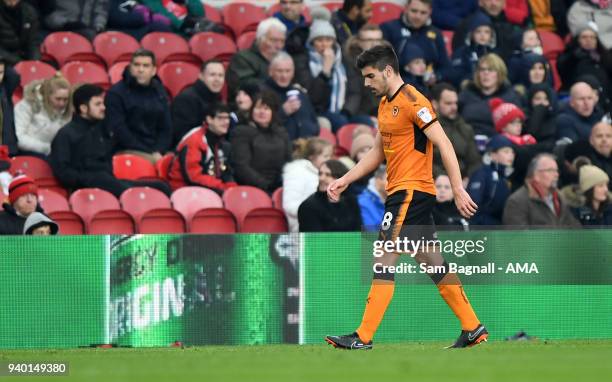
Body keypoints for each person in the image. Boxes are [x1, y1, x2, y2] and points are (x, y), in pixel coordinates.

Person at [324, 45, 486, 350]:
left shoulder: (414, 100)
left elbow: (445, 143)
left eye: (370, 76)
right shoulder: (385, 103)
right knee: (431, 261)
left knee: (384, 256)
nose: (367, 83)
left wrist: (458, 188)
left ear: (387, 71)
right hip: (404, 192)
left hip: (410, 191)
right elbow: (376, 153)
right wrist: (344, 179)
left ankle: (363, 336)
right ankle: (472, 327)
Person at [50, 84, 171, 198]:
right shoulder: (66, 134)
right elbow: (63, 172)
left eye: (103, 104)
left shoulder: (102, 129)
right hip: (86, 187)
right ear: (83, 108)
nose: (103, 108)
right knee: (129, 193)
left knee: (161, 187)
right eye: (98, 104)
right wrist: (88, 178)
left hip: (110, 181)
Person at [105, 49, 172, 164]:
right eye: (137, 65)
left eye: (146, 66)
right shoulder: (116, 93)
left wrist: (159, 150)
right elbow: (119, 131)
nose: (140, 70)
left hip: (155, 151)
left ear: (154, 70)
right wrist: (149, 152)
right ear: (130, 67)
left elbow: (166, 127)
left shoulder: (159, 91)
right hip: (125, 149)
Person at [230, 90, 291, 193]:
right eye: (258, 108)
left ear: (273, 112)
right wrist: (266, 185)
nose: (262, 112)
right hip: (252, 188)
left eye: (266, 108)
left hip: (280, 187)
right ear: (251, 110)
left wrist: (281, 182)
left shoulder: (281, 132)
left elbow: (289, 160)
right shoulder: (241, 132)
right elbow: (241, 166)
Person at [167, 103, 236, 193]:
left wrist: (232, 188)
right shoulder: (194, 141)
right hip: (184, 190)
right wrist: (222, 187)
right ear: (209, 119)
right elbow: (193, 177)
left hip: (209, 188)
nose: (226, 122)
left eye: (227, 118)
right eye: (220, 118)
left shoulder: (223, 143)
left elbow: (227, 172)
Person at [380, 0, 450, 85]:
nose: (418, 16)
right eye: (414, 11)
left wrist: (437, 76)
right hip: (397, 85)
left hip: (429, 86)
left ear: (430, 12)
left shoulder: (436, 33)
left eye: (423, 12)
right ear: (405, 8)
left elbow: (446, 67)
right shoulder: (388, 28)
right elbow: (381, 62)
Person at [502, 153, 580, 227]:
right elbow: (518, 237)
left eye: (557, 171)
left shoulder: (559, 198)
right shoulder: (517, 202)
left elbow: (574, 227)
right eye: (550, 170)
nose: (556, 174)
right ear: (536, 175)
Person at [458, 53, 523, 138]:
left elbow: (517, 126)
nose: (486, 73)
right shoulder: (466, 94)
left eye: (491, 70)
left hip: (499, 143)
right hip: (468, 140)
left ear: (500, 73)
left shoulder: (511, 97)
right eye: (482, 70)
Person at [263, 52, 319, 140]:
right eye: (279, 71)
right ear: (271, 72)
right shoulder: (262, 93)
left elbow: (314, 121)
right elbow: (261, 126)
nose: (284, 75)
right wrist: (283, 112)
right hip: (280, 146)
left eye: (288, 71)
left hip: (308, 146)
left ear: (293, 73)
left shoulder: (300, 93)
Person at [227, 18, 286, 101]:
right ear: (260, 39)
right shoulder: (242, 58)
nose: (279, 46)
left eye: (282, 41)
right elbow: (246, 85)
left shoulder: (283, 60)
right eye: (274, 40)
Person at [431, 83, 481, 181]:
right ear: (435, 104)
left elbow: (474, 162)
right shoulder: (427, 129)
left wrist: (468, 179)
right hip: (436, 182)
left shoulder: (466, 129)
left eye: (455, 103)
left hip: (463, 183)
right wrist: (442, 177)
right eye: (448, 103)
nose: (454, 107)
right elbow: (422, 160)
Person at [14, 74, 72, 157]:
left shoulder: (67, 110)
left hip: (52, 153)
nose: (62, 103)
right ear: (47, 95)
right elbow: (18, 138)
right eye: (58, 99)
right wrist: (47, 148)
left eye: (65, 99)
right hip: (25, 152)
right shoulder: (27, 105)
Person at [282, 137, 333, 232]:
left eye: (330, 156)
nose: (329, 160)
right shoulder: (296, 172)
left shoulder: (322, 172)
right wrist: (315, 211)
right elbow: (289, 206)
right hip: (302, 225)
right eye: (325, 156)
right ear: (312, 156)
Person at [298, 159, 362, 231]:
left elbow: (358, 231)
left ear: (339, 178)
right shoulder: (309, 206)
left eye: (328, 175)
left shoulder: (351, 201)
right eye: (320, 174)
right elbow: (314, 239)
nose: (321, 178)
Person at [171, 60, 225, 146]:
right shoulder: (186, 99)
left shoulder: (218, 98)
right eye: (212, 75)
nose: (217, 79)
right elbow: (184, 135)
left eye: (220, 75)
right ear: (201, 76)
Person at [452, 0, 522, 62]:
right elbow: (459, 54)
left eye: (497, 0)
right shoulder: (467, 24)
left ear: (504, 4)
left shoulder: (510, 27)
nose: (493, 3)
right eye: (489, 0)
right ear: (480, 2)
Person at [467, 134, 514, 225]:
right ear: (493, 154)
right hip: (483, 228)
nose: (511, 156)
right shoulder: (482, 174)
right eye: (506, 152)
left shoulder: (505, 177)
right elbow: (473, 205)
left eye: (512, 152)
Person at [557, 23, 612, 96]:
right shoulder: (570, 57)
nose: (589, 40)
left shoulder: (605, 57)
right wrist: (573, 57)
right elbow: (563, 72)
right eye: (584, 37)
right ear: (577, 39)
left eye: (592, 37)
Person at [448, 11, 497, 88]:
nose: (483, 35)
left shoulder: (494, 54)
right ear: (471, 34)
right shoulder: (462, 52)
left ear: (492, 35)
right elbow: (455, 75)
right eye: (478, 31)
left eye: (487, 32)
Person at [44, 0, 108, 40]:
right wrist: (65, 23)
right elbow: (48, 14)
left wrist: (99, 26)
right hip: (59, 28)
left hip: (87, 30)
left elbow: (101, 11)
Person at [0, 0, 39, 65]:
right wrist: (18, 62)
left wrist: (35, 62)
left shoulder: (29, 12)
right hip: (5, 61)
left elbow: (33, 43)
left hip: (24, 59)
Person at [358, 165, 387, 230]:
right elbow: (370, 235)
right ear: (378, 180)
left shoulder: (396, 200)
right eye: (391, 180)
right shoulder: (362, 202)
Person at [0, 57, 19, 156]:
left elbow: (14, 76)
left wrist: (3, 59)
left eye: (1, 73)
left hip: (7, 146)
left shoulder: (5, 89)